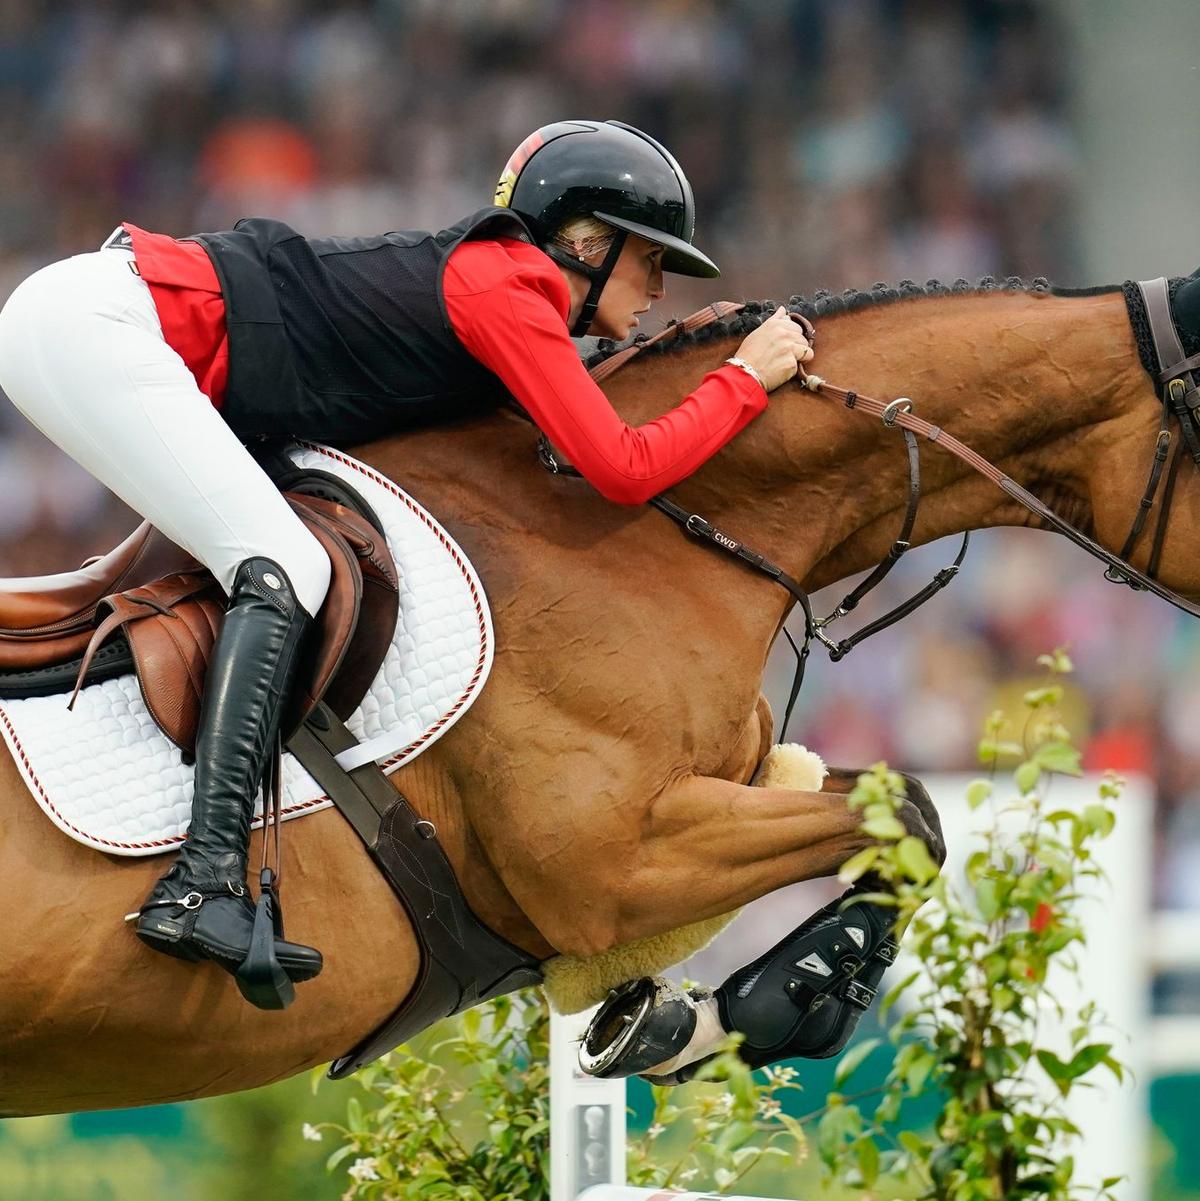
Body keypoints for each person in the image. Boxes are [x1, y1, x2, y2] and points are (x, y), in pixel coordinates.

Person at [0, 119, 814, 1009]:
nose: (659, 286)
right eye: (649, 260)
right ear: (585, 242)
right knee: (283, 564)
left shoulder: (507, 285)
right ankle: (202, 881)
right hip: (102, 329)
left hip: (104, 325)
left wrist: (687, 357)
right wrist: (742, 378)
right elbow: (619, 466)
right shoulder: (509, 283)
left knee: (276, 557)